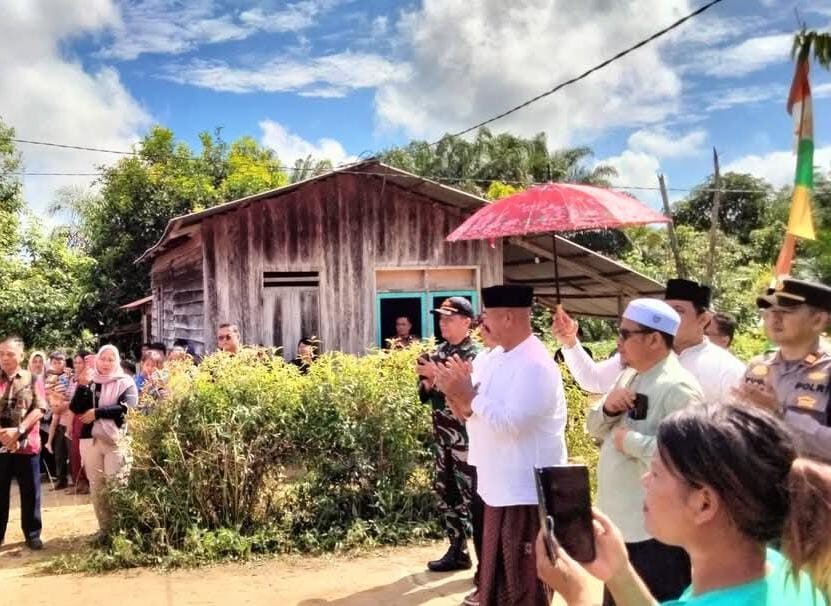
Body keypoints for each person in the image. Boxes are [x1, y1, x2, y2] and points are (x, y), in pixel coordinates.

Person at [535, 404, 830, 605]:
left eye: (656, 472)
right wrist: (619, 573)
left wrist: (579, 596)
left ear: (704, 504)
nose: (645, 480)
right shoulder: (787, 574)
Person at [436, 285, 567, 606]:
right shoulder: (491, 358)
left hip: (524, 493)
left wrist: (468, 395)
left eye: (487, 316)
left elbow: (512, 424)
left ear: (508, 317)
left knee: (524, 588)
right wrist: (454, 393)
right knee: (496, 586)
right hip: (493, 487)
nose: (482, 323)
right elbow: (471, 412)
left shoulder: (535, 364)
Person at [586, 298, 704, 605]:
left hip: (654, 532)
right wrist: (609, 408)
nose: (619, 342)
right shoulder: (630, 375)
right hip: (621, 524)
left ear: (654, 339)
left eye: (626, 334)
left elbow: (689, 458)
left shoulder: (677, 387)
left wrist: (632, 442)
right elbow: (593, 427)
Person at [553, 279, 745, 405]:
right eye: (665, 311)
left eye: (678, 311)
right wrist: (570, 342)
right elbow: (593, 380)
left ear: (703, 319)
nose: (669, 318)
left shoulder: (726, 368)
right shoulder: (643, 352)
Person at [734, 278, 831, 464]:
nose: (774, 318)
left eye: (786, 311)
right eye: (770, 310)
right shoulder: (758, 365)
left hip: (809, 480)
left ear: (818, 320)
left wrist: (780, 415)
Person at [416, 296, 480, 574]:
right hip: (443, 438)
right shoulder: (436, 354)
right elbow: (423, 394)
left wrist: (438, 376)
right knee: (447, 495)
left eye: (449, 319)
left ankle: (486, 561)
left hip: (468, 441)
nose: (443, 324)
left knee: (474, 499)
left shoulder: (475, 356)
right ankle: (458, 550)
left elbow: (472, 395)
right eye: (441, 319)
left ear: (467, 322)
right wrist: (429, 381)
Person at [70, 345, 138, 533]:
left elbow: (128, 408)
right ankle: (105, 531)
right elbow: (76, 409)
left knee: (117, 485)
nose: (106, 363)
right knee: (97, 487)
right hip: (91, 441)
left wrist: (98, 413)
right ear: (96, 360)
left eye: (111, 359)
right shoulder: (90, 382)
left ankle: (121, 532)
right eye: (102, 359)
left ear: (117, 361)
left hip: (116, 441)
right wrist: (82, 385)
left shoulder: (125, 382)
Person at [0, 336, 47, 549]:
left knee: (30, 492)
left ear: (21, 355)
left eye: (10, 354)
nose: (5, 358)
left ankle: (32, 534)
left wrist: (18, 431)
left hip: (27, 445)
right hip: (0, 445)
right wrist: (3, 434)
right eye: (1, 354)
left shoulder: (33, 379)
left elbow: (40, 409)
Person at [44, 351, 72, 490]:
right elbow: (46, 393)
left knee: (72, 452)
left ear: (64, 363)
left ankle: (76, 480)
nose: (57, 365)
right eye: (54, 362)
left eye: (60, 362)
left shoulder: (70, 376)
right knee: (59, 453)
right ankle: (61, 480)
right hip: (57, 415)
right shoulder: (49, 377)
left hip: (69, 418)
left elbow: (71, 396)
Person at [67, 351, 91, 495]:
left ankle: (87, 483)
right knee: (75, 453)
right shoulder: (73, 380)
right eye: (75, 362)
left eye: (80, 362)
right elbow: (71, 404)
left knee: (84, 453)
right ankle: (79, 483)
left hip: (85, 418)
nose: (77, 365)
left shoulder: (90, 379)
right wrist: (69, 423)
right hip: (75, 418)